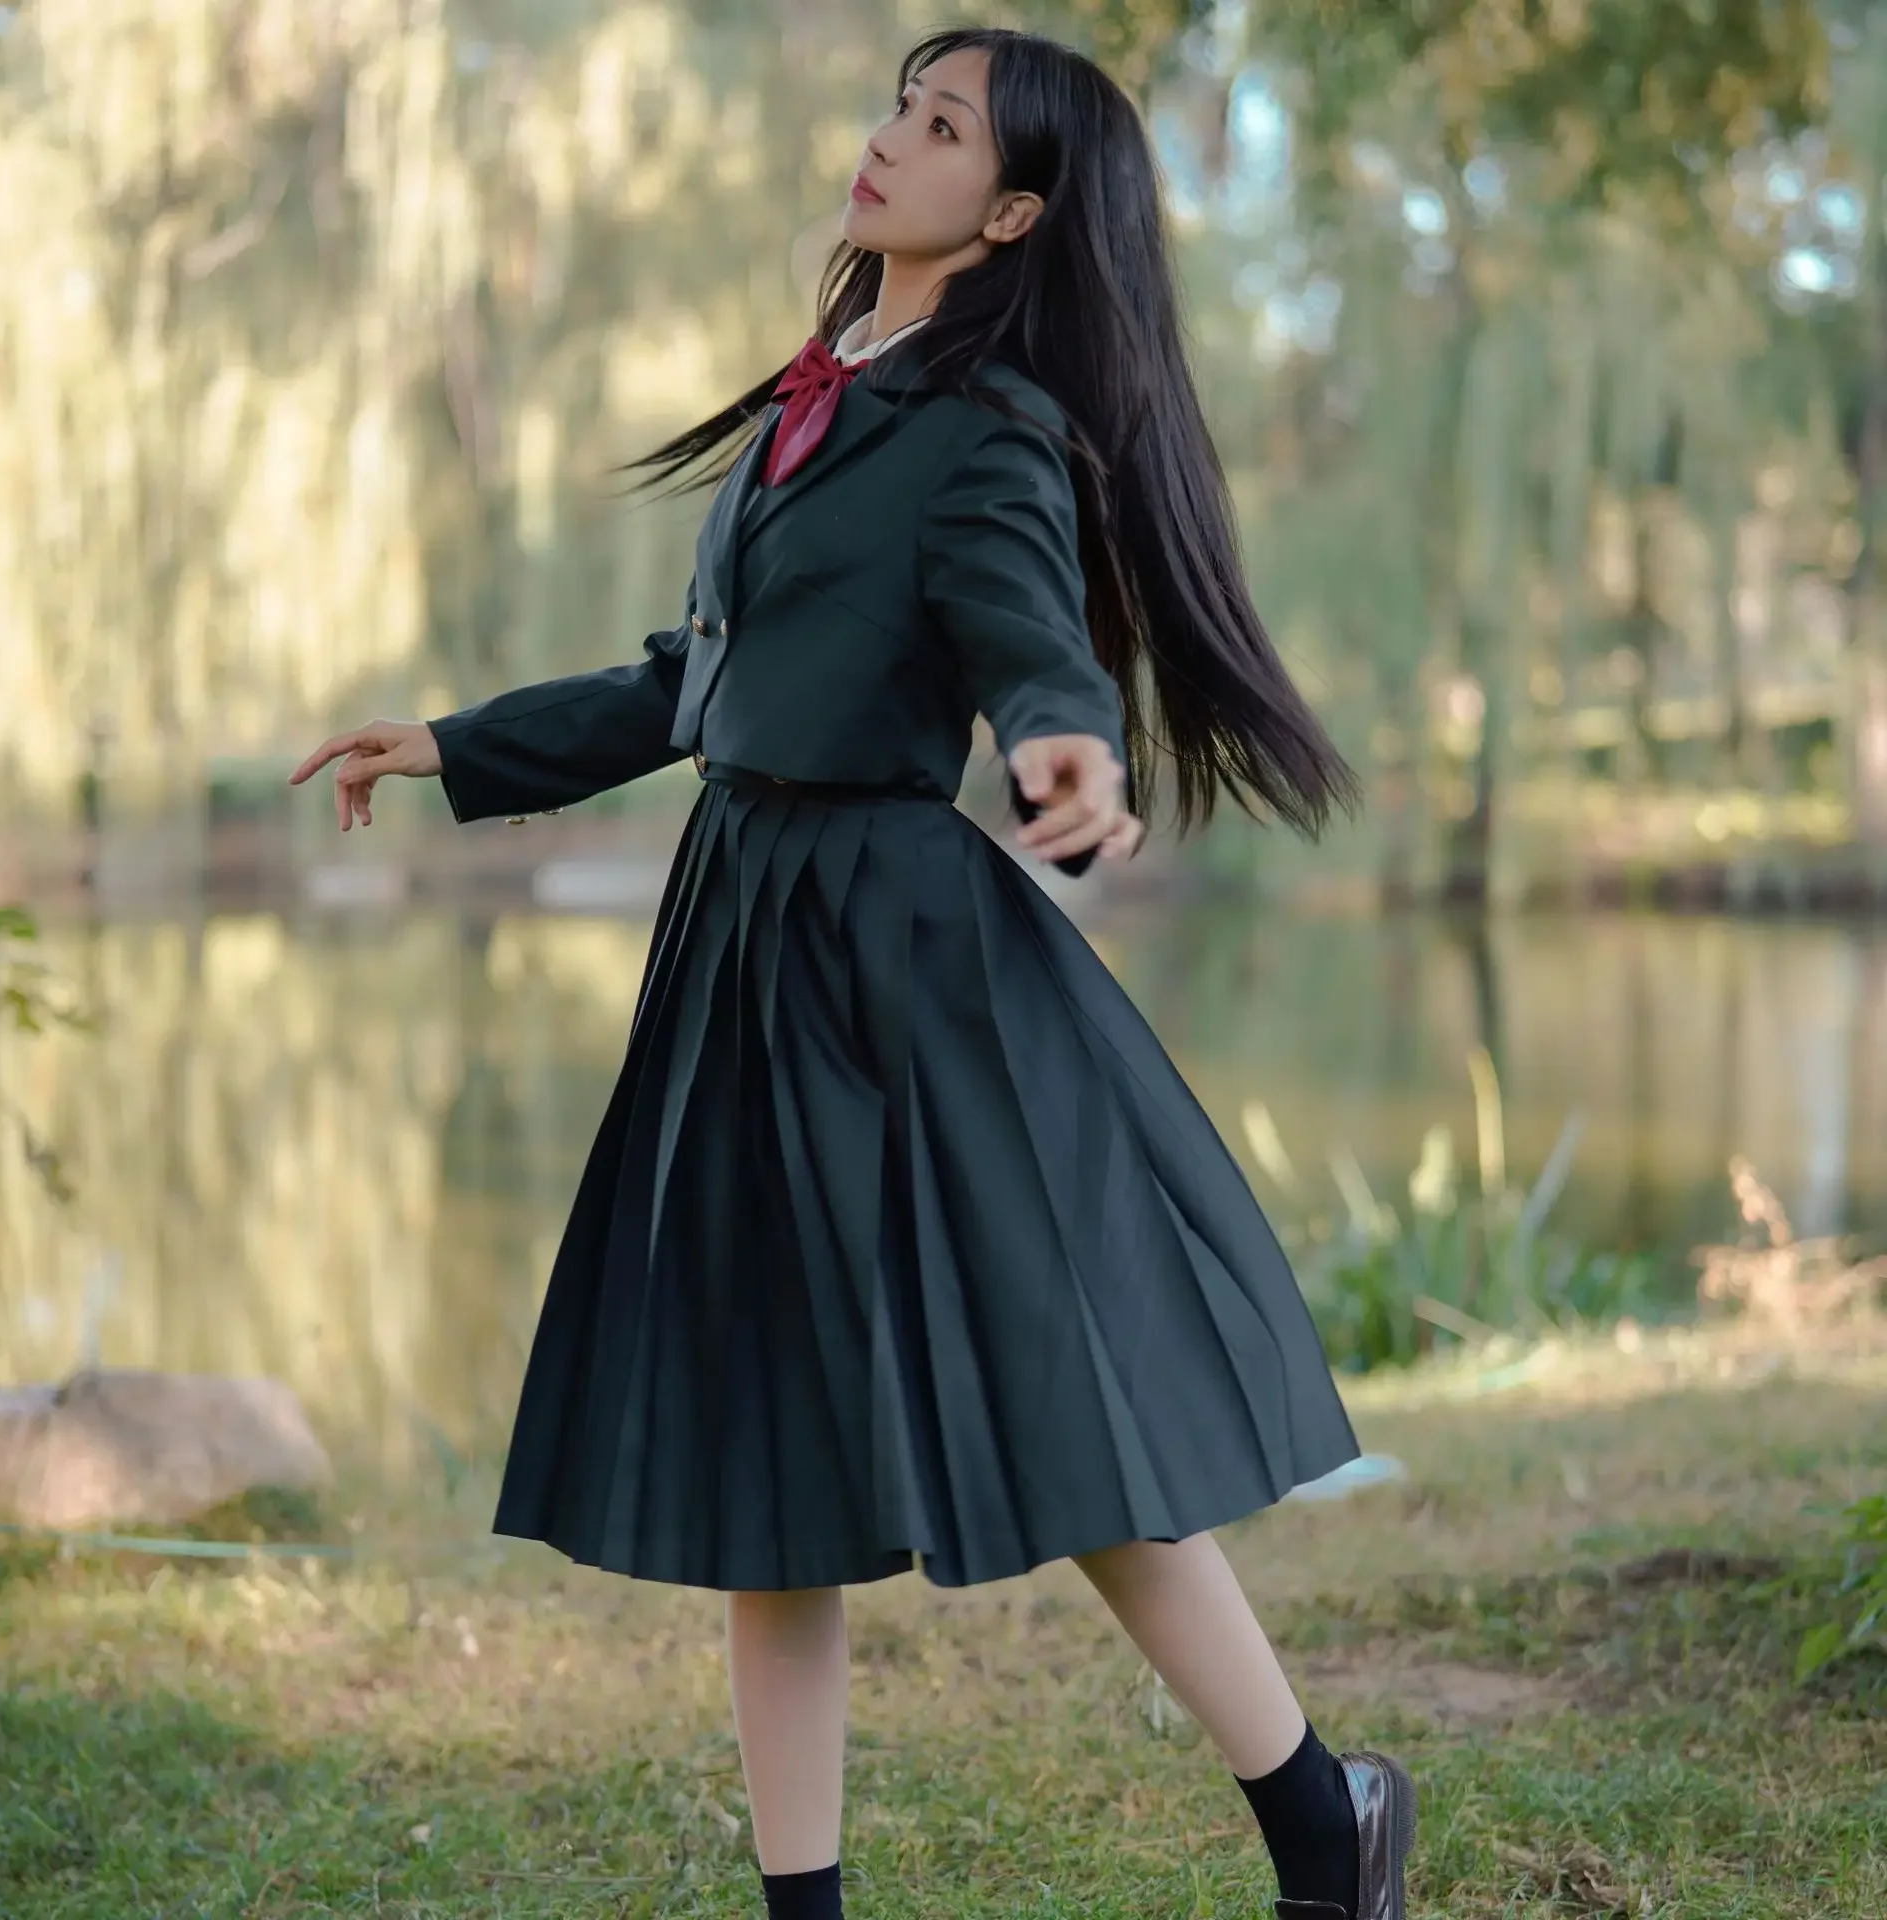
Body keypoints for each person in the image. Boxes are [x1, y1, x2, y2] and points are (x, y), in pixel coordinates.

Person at [290, 26, 1414, 1920]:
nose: (891, 137)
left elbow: (1025, 624)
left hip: (895, 963)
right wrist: (454, 743)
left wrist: (1065, 747)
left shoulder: (986, 428)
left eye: (944, 123)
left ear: (1017, 208)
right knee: (761, 1447)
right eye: (904, 101)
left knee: (1065, 1411)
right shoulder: (824, 394)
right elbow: (689, 684)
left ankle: (1324, 1824)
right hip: (744, 934)